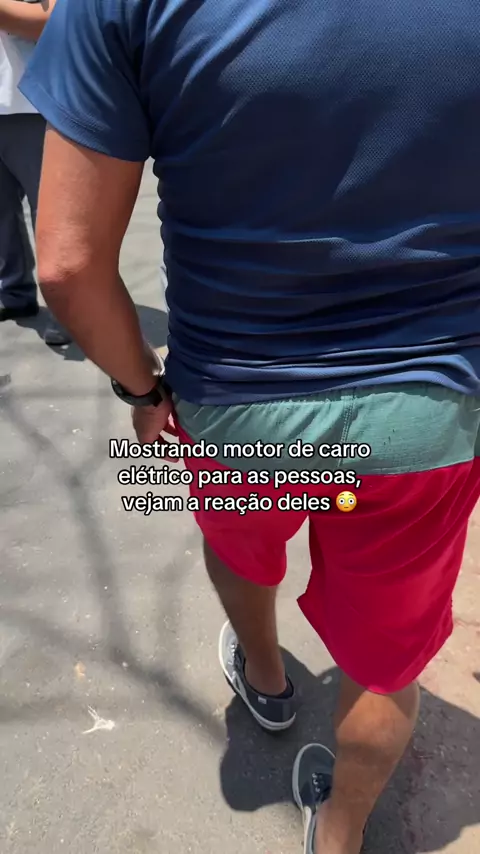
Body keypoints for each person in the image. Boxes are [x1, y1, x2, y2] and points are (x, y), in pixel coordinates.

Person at [19, 1, 480, 852]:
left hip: (237, 406)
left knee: (242, 544)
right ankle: (338, 837)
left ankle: (266, 681)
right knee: (385, 665)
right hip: (428, 415)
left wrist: (141, 389)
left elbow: (70, 264)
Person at [0, 0, 70, 344]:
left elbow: (52, 20)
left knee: (50, 213)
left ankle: (68, 308)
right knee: (1, 215)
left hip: (32, 104)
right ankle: (14, 292)